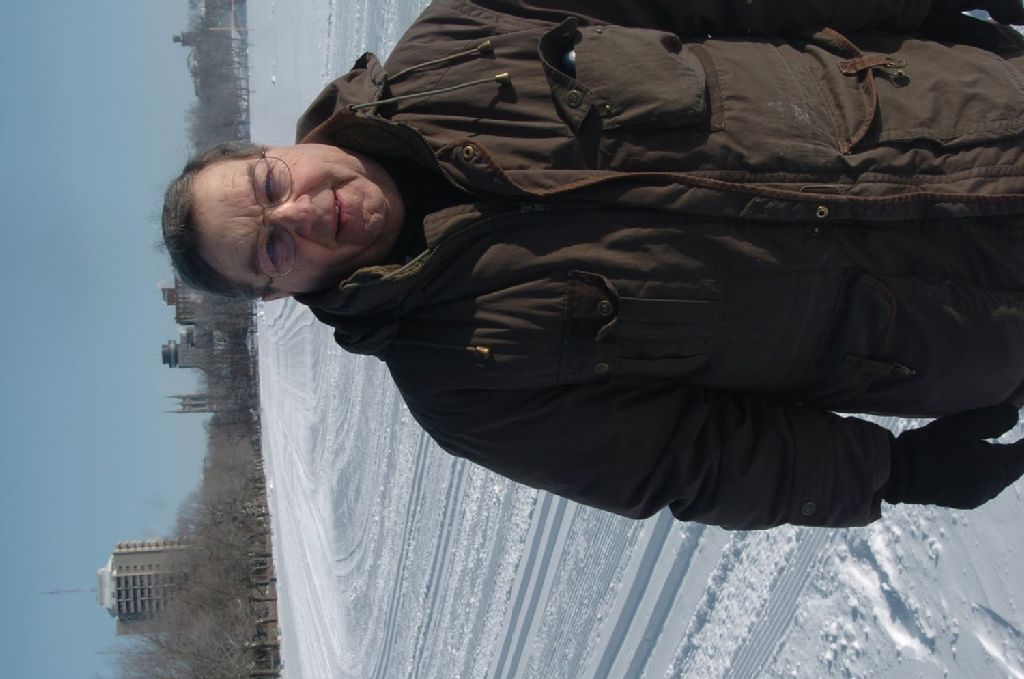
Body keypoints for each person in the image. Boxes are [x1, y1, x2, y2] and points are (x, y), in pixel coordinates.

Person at [163, 0, 1024, 529]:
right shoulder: (461, 382)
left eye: (270, 184)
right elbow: (691, 456)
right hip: (974, 322)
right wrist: (893, 474)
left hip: (974, 108)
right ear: (277, 293)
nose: (302, 213)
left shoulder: (462, 36)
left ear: (274, 148)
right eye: (271, 249)